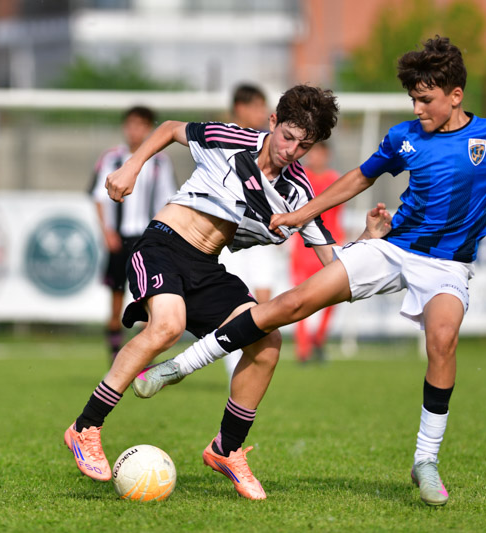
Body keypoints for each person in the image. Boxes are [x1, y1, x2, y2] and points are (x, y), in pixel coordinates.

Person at [133, 36, 486, 506]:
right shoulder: (404, 137)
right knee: (292, 303)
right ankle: (179, 367)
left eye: (425, 100)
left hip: (447, 264)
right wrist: (303, 214)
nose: (417, 108)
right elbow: (360, 177)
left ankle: (425, 460)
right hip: (393, 247)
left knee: (443, 340)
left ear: (456, 96)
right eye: (413, 99)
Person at [63, 84, 391, 500]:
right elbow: (170, 128)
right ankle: (85, 427)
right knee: (168, 326)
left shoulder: (298, 193)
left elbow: (334, 263)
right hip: (163, 244)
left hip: (207, 267)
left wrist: (368, 238)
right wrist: (132, 166)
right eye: (288, 137)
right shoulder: (232, 139)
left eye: (303, 146)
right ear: (273, 121)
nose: (291, 151)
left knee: (266, 342)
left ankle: (226, 449)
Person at [89, 106, 177, 362]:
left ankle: (140, 359)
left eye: (140, 125)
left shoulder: (160, 162)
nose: (134, 130)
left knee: (149, 302)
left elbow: (168, 199)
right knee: (116, 301)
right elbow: (98, 197)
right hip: (119, 238)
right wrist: (107, 232)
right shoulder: (112, 158)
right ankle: (114, 358)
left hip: (147, 240)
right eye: (130, 124)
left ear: (149, 129)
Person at [219, 83, 275, 379]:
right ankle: (234, 370)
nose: (263, 113)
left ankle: (253, 366)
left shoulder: (268, 142)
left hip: (261, 235)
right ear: (240, 108)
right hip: (231, 236)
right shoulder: (220, 139)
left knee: (265, 301)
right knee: (235, 304)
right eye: (257, 106)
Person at [290, 141, 344, 363]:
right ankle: (303, 349)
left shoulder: (335, 180)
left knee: (334, 297)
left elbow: (337, 216)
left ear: (327, 155)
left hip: (330, 245)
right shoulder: (299, 178)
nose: (315, 158)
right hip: (303, 249)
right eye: (312, 153)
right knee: (299, 298)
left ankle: (319, 339)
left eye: (319, 153)